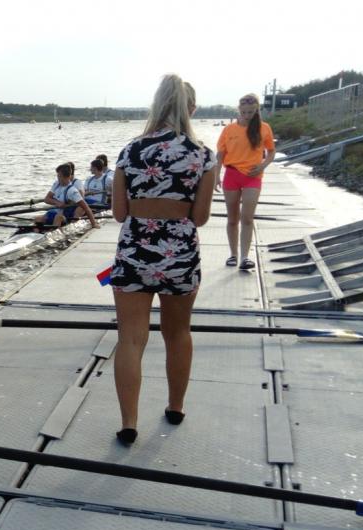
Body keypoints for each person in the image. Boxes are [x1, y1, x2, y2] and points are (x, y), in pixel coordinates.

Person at [109, 74, 218, 446]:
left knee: (130, 339)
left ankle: (128, 423)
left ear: (156, 105)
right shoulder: (203, 155)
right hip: (180, 254)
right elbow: (200, 218)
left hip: (134, 252)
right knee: (178, 333)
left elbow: (119, 213)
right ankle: (175, 407)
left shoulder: (130, 151)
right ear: (190, 109)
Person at [215, 93, 275, 271]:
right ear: (239, 111)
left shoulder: (264, 128)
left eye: (251, 112)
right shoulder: (229, 130)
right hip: (232, 175)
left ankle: (244, 257)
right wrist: (216, 175)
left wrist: (263, 165)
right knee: (232, 219)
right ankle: (233, 254)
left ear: (256, 110)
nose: (247, 115)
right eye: (244, 112)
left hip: (253, 176)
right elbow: (220, 155)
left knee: (247, 218)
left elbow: (271, 151)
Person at [34, 162, 98, 229]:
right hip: (52, 212)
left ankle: (52, 232)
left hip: (63, 217)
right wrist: (57, 202)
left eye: (59, 176)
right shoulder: (56, 184)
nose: (57, 178)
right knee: (37, 219)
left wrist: (94, 224)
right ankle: (36, 234)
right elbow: (46, 199)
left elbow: (86, 208)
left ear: (66, 177)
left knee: (58, 217)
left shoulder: (72, 191)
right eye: (57, 176)